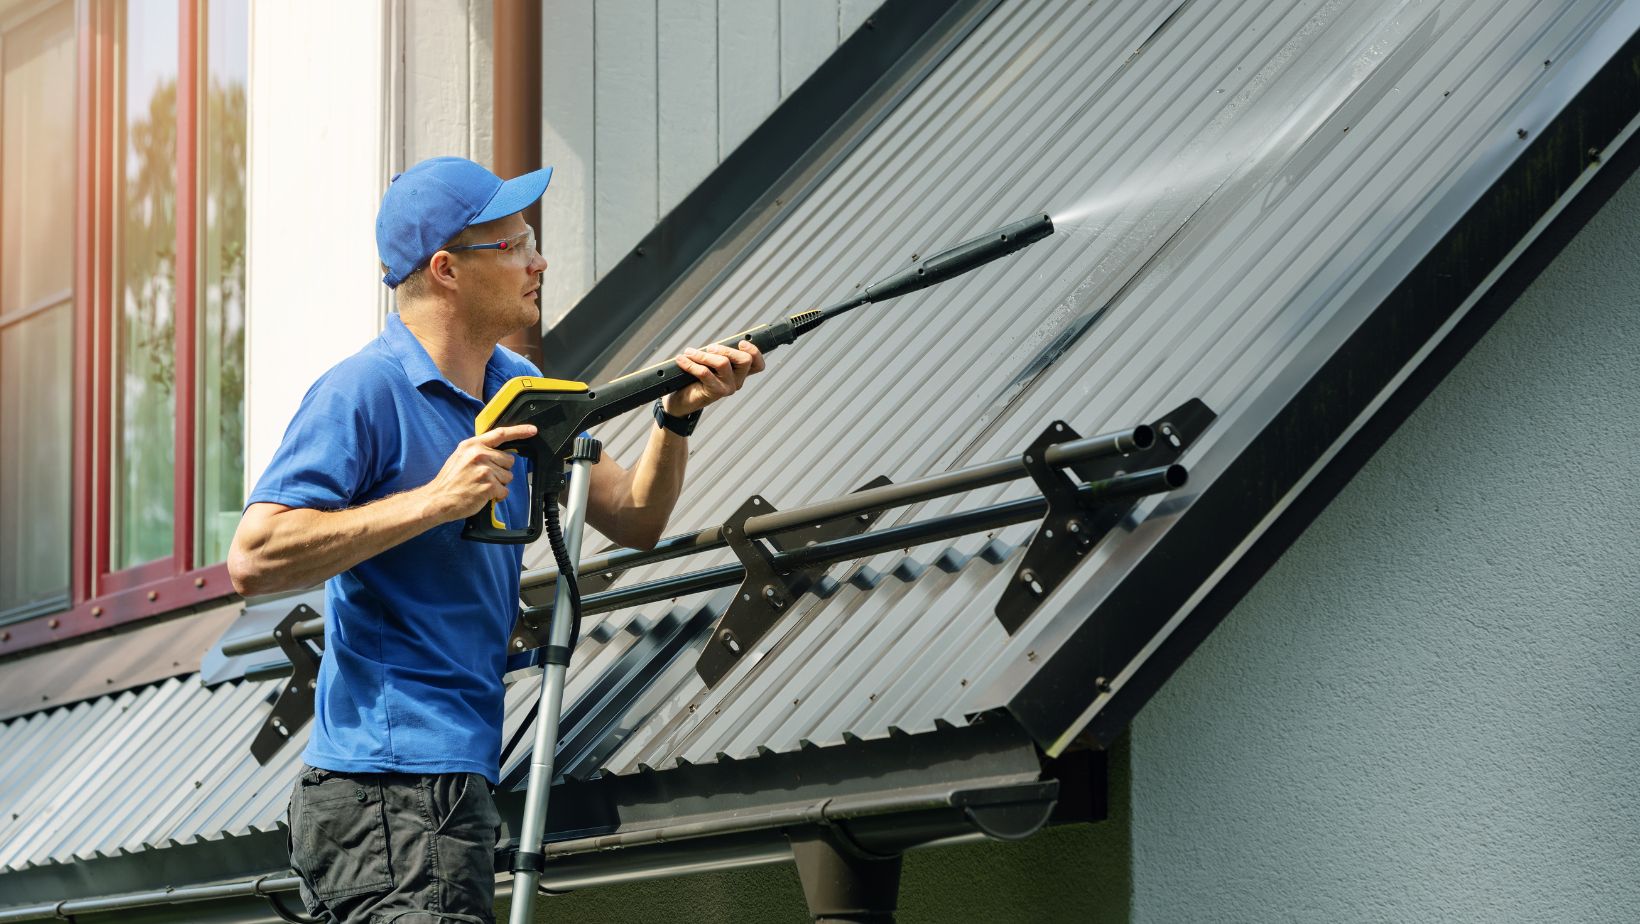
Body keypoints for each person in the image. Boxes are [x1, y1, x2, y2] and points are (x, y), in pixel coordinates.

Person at [226, 156, 764, 923]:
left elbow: (638, 518)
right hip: (388, 790)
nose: (539, 260)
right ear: (446, 269)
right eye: (513, 246)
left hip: (447, 783)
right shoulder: (363, 391)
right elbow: (255, 557)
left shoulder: (516, 387)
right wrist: (435, 501)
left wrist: (676, 415)